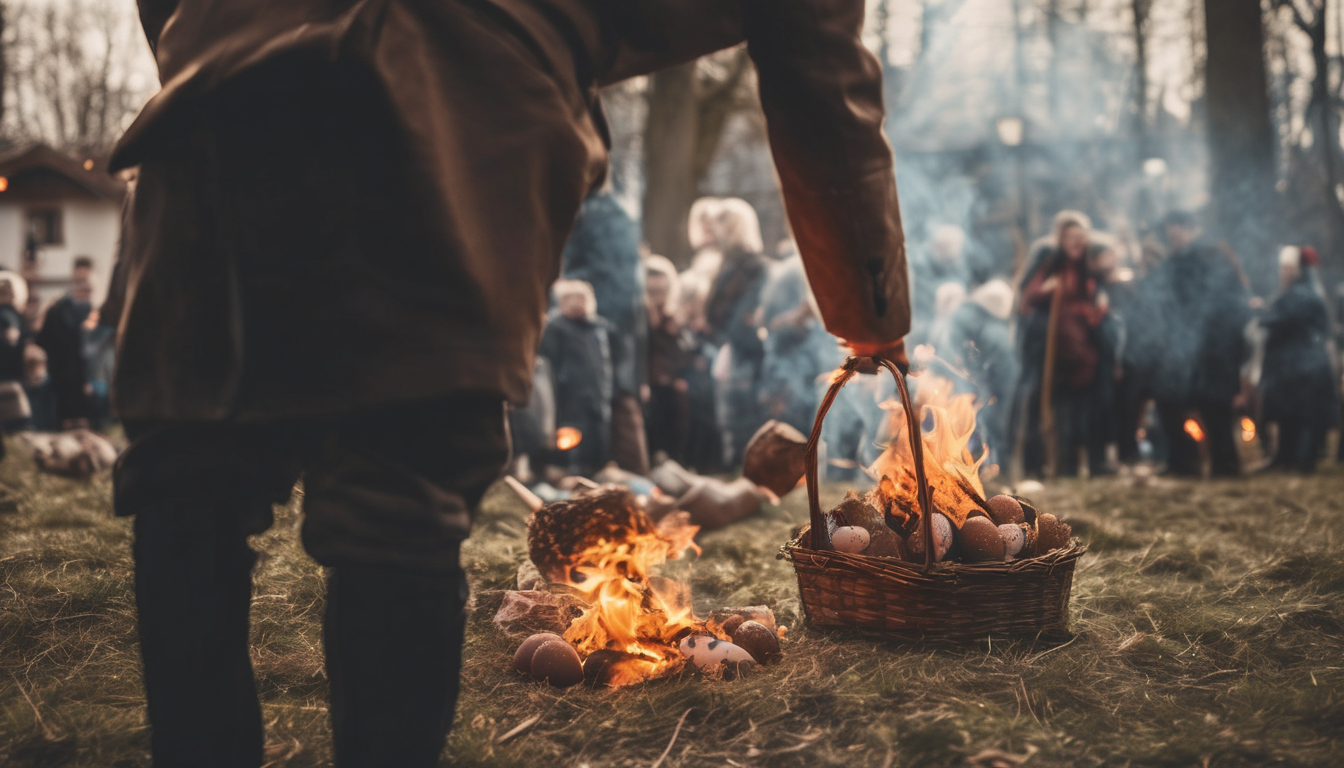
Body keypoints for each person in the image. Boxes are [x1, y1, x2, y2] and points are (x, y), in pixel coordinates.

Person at [107, 1, 911, 765]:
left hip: (219, 88)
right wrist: (870, 313)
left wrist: (215, 39)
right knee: (396, 496)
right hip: (452, 109)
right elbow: (815, 62)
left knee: (191, 486)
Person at [1147, 211, 1251, 477]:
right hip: (1183, 347)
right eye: (1170, 232)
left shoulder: (1213, 257)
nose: (1173, 236)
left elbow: (1233, 303)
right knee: (1170, 400)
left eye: (1177, 230)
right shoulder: (1173, 262)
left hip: (1214, 346)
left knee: (1215, 407)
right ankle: (1184, 462)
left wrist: (1225, 342)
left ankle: (1224, 466)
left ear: (1191, 228)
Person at [561, 189, 648, 474]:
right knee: (618, 400)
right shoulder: (618, 212)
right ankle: (629, 474)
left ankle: (611, 475)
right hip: (619, 320)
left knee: (607, 403)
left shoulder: (587, 212)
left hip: (597, 320)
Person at [703, 198, 771, 465]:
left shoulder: (756, 267)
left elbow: (746, 318)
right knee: (730, 421)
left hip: (749, 352)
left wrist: (735, 333)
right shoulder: (727, 266)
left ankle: (749, 473)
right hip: (730, 349)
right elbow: (714, 313)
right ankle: (736, 469)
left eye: (723, 225)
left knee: (746, 421)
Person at [1259, 246, 1338, 473]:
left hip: (1306, 363)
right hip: (1292, 363)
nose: (1282, 273)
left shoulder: (1304, 293)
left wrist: (1262, 313)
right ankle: (1285, 457)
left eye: (1287, 268)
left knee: (1306, 415)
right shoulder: (1296, 291)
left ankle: (1303, 462)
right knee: (1288, 413)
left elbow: (1281, 318)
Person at [539, 280, 614, 475]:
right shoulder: (555, 327)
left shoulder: (598, 327)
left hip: (596, 394)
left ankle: (595, 470)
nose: (575, 303)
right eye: (569, 298)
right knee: (572, 436)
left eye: (580, 298)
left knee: (597, 436)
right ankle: (569, 472)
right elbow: (549, 363)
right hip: (569, 395)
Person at [944, 279, 1019, 468]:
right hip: (981, 380)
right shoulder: (970, 317)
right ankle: (985, 465)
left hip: (1002, 380)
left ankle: (996, 466)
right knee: (984, 425)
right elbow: (963, 351)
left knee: (998, 424)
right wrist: (978, 380)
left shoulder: (997, 322)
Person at [643, 255, 690, 463]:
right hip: (651, 379)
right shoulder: (641, 318)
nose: (658, 296)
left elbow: (680, 349)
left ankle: (676, 458)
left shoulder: (674, 316)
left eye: (662, 290)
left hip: (673, 379)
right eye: (653, 291)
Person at [35, 274, 96, 429]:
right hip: (66, 367)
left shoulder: (81, 309)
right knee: (68, 410)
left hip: (70, 367)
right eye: (87, 290)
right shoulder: (62, 310)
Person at [0, 272, 33, 458]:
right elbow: (11, 338)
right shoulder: (10, 314)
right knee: (19, 429)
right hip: (9, 379)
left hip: (6, 376)